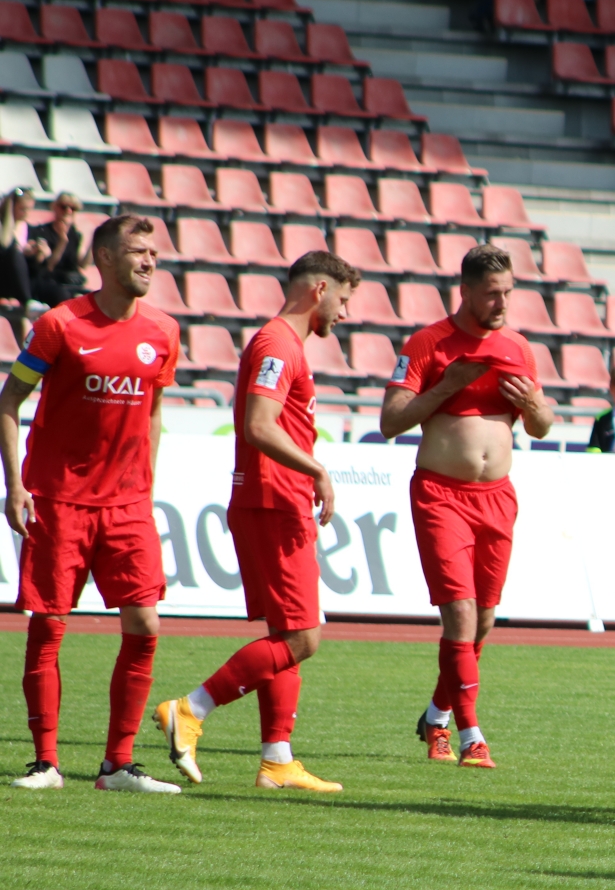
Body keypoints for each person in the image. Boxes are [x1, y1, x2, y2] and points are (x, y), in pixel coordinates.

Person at [151, 252, 359, 793]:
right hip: (273, 500)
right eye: (342, 300)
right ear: (318, 290)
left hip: (272, 499)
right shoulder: (277, 344)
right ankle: (190, 708)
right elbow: (259, 424)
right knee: (305, 638)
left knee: (286, 633)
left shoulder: (282, 344)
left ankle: (277, 759)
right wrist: (317, 469)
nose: (344, 313)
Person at [2, 214, 180, 793]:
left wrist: (146, 487)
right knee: (49, 624)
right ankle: (46, 763)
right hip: (59, 499)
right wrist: (16, 485)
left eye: (154, 253)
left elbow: (153, 410)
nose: (150, 262)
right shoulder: (59, 325)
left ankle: (118, 765)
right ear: (104, 259)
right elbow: (9, 402)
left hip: (128, 505)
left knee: (146, 625)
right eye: (138, 252)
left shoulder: (163, 331)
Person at [381, 245, 554, 769]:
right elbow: (392, 420)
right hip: (441, 494)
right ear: (466, 291)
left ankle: (437, 715)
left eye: (507, 293)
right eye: (492, 294)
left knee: (482, 621)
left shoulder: (519, 348)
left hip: (497, 497)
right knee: (459, 615)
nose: (502, 303)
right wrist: (446, 387)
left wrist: (532, 407)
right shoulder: (429, 343)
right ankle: (470, 734)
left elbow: (542, 426)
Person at [26, 193, 88, 309]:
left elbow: (82, 264)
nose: (68, 211)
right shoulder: (41, 231)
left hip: (68, 282)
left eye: (73, 208)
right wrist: (62, 241)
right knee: (63, 297)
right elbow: (49, 267)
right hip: (47, 281)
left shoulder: (76, 235)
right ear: (55, 207)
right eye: (64, 206)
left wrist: (93, 246)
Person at [0, 189, 32, 334]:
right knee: (14, 254)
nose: (26, 213)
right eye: (22, 209)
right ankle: (27, 300)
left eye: (28, 209)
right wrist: (9, 217)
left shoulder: (26, 227)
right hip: (5, 280)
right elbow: (4, 244)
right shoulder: (4, 225)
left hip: (18, 281)